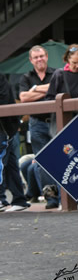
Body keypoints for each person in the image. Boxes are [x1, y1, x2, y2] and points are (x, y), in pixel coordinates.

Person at [46, 44, 78, 210]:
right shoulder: (59, 74)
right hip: (61, 123)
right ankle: (62, 199)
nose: (77, 66)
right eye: (74, 63)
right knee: (63, 161)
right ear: (67, 60)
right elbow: (49, 98)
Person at [19, 45, 59, 209]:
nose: (39, 59)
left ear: (46, 56)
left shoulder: (56, 73)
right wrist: (48, 90)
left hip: (56, 121)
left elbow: (59, 90)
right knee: (43, 161)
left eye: (41, 56)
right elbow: (23, 98)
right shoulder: (26, 77)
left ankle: (66, 197)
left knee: (60, 158)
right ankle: (51, 198)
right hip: (37, 124)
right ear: (31, 60)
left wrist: (34, 90)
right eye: (35, 57)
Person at [0, 73, 30, 212]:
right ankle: (19, 199)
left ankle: (3, 199)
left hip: (5, 128)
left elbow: (4, 99)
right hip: (8, 128)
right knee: (10, 164)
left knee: (4, 162)